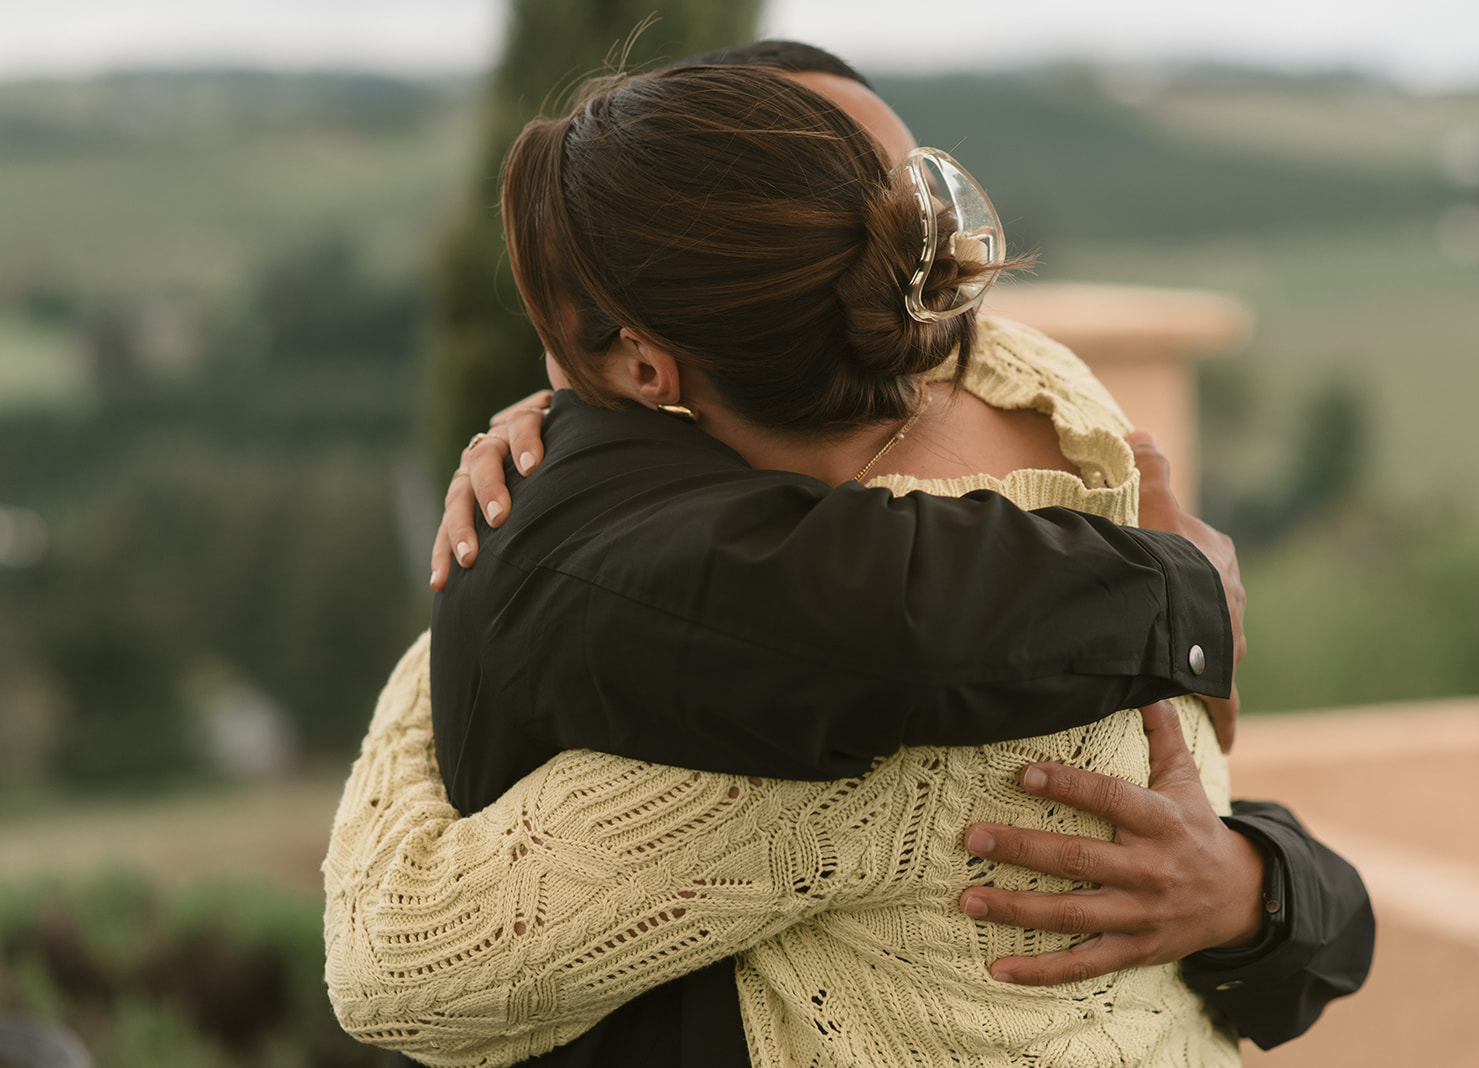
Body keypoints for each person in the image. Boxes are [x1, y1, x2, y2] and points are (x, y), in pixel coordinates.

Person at [323, 57, 1370, 1068]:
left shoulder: (835, 733)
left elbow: (399, 960)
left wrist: (486, 573)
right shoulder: (1059, 409)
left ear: (646, 367)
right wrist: (1261, 888)